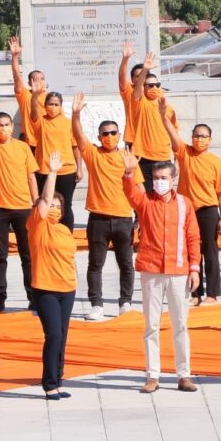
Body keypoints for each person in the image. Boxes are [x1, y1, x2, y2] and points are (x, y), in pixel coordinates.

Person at [121, 149, 201, 394]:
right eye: (156, 177)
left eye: (164, 177)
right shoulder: (146, 202)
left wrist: (195, 268)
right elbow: (130, 193)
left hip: (178, 270)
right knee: (151, 326)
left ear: (173, 178)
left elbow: (192, 236)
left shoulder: (184, 203)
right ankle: (152, 375)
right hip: (152, 270)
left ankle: (183, 374)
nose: (160, 182)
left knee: (180, 325)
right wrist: (129, 171)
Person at [72, 93, 141, 319]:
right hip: (99, 219)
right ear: (99, 136)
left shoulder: (127, 157)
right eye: (105, 134)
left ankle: (125, 302)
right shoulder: (94, 155)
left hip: (123, 219)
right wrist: (75, 114)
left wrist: (142, 219)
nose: (109, 137)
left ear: (119, 135)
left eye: (113, 133)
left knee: (126, 264)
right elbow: (78, 136)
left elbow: (138, 190)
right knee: (95, 264)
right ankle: (96, 304)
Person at [159, 97, 221, 306]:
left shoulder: (216, 162)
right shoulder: (184, 153)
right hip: (187, 210)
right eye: (197, 136)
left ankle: (212, 294)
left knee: (210, 252)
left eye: (204, 136)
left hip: (208, 211)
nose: (199, 139)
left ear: (210, 139)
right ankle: (195, 293)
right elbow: (173, 136)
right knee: (190, 252)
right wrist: (164, 117)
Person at [0, 97, 38, 312]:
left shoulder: (23, 148)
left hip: (23, 207)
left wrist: (36, 203)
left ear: (12, 127)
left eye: (6, 125)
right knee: (1, 255)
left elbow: (31, 177)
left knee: (27, 254)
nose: (3, 128)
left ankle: (33, 296)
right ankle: (1, 297)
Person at [29, 151, 76, 400]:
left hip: (67, 288)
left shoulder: (65, 231)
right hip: (46, 288)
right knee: (54, 334)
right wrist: (53, 172)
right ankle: (48, 383)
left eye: (60, 207)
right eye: (52, 206)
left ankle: (59, 378)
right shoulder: (37, 225)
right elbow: (45, 200)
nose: (54, 209)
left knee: (63, 335)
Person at [29, 87, 79, 228]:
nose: (53, 107)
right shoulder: (40, 122)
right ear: (44, 106)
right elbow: (33, 113)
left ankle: (66, 235)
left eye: (56, 104)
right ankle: (45, 233)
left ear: (61, 106)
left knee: (65, 205)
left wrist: (79, 167)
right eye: (50, 104)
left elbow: (75, 146)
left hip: (66, 170)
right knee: (45, 202)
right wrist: (34, 96)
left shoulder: (68, 123)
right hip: (44, 169)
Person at [131, 53, 179, 195]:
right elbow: (137, 87)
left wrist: (177, 160)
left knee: (162, 195)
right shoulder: (140, 102)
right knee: (144, 196)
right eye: (150, 85)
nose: (154, 88)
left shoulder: (168, 107)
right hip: (143, 158)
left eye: (157, 85)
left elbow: (174, 134)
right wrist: (145, 69)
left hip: (163, 157)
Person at [8, 36, 45, 149]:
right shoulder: (25, 95)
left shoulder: (51, 98)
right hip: (29, 142)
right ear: (29, 83)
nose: (39, 82)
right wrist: (15, 57)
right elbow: (16, 77)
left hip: (46, 140)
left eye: (42, 79)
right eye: (35, 79)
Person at [117, 41, 143, 150]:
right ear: (132, 79)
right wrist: (125, 59)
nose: (141, 78)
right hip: (133, 140)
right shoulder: (129, 91)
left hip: (153, 140)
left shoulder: (155, 92)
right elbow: (122, 77)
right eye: (138, 76)